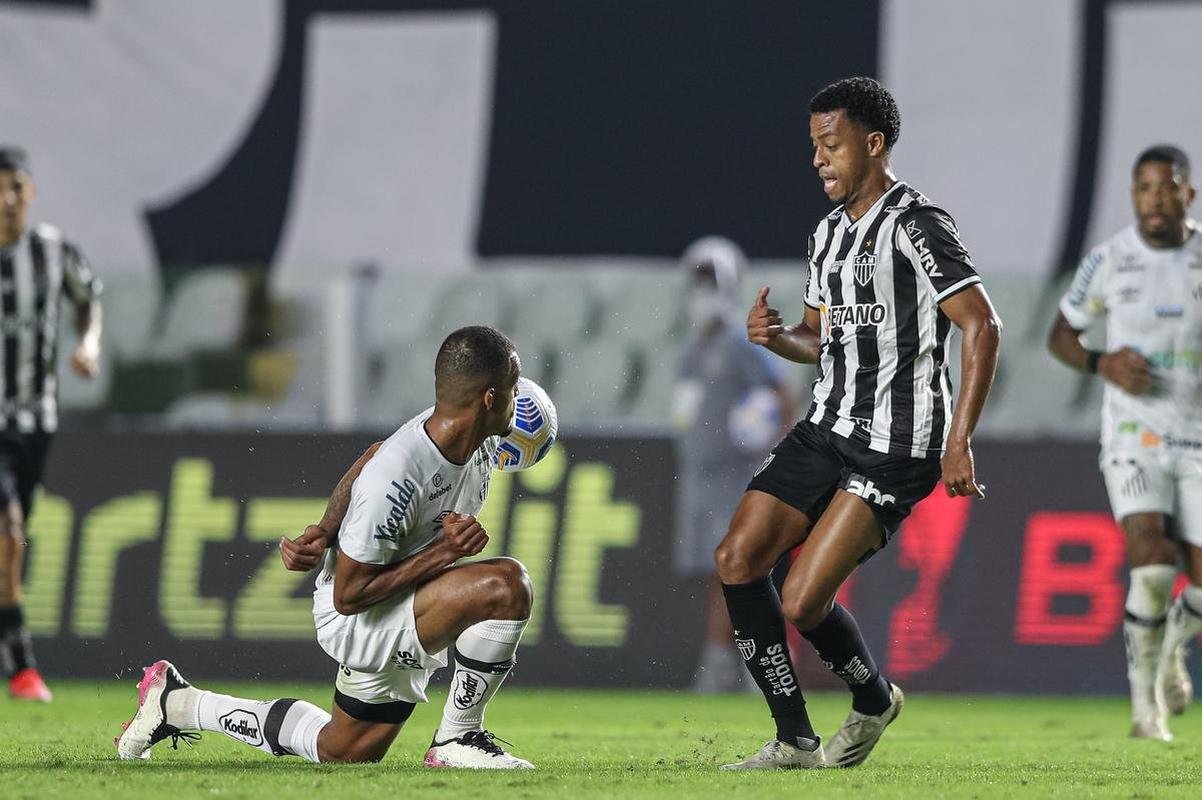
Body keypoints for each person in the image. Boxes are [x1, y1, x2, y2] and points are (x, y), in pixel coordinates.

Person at [715, 77, 1002, 770]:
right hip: (827, 426)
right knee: (737, 560)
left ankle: (873, 700)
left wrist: (958, 439)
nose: (818, 158)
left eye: (831, 144)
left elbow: (981, 325)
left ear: (872, 144)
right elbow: (823, 338)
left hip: (896, 447)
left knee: (803, 598)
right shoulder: (826, 235)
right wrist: (779, 336)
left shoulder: (917, 224)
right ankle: (794, 740)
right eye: (814, 145)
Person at [117, 326, 536, 768]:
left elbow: (372, 454)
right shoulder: (399, 476)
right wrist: (444, 553)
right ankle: (457, 739)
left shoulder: (458, 436)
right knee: (506, 585)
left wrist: (326, 526)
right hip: (359, 618)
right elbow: (349, 596)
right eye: (512, 390)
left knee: (340, 751)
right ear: (489, 399)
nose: (518, 399)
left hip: (400, 602)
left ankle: (179, 704)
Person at [1048, 145, 1202, 741]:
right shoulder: (1110, 259)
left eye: (1167, 188)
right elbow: (1061, 334)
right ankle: (1145, 709)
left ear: (1187, 195)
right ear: (1133, 195)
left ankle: (1169, 656)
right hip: (1134, 433)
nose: (1154, 200)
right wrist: (1101, 363)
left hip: (1197, 436)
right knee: (1152, 557)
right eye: (1143, 189)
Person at [0, 146, 102, 703]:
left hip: (35, 424)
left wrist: (87, 343)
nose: (7, 199)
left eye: (16, 186)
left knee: (9, 544)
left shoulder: (53, 250)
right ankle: (22, 667)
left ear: (30, 192)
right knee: (9, 535)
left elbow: (89, 299)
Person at [671, 236, 794, 692]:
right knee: (717, 574)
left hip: (737, 478)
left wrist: (778, 456)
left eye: (710, 281)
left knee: (738, 569)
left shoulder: (742, 345)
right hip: (701, 478)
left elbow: (782, 397)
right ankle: (730, 662)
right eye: (697, 281)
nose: (702, 292)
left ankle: (742, 665)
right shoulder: (692, 352)